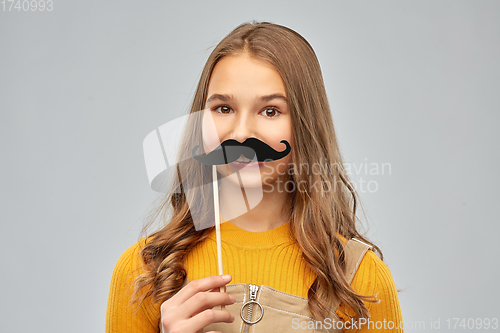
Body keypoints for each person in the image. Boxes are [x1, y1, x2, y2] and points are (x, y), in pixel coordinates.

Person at [106, 21, 403, 333]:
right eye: (223, 108)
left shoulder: (359, 278)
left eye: (270, 111)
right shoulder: (144, 272)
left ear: (305, 125)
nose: (242, 133)